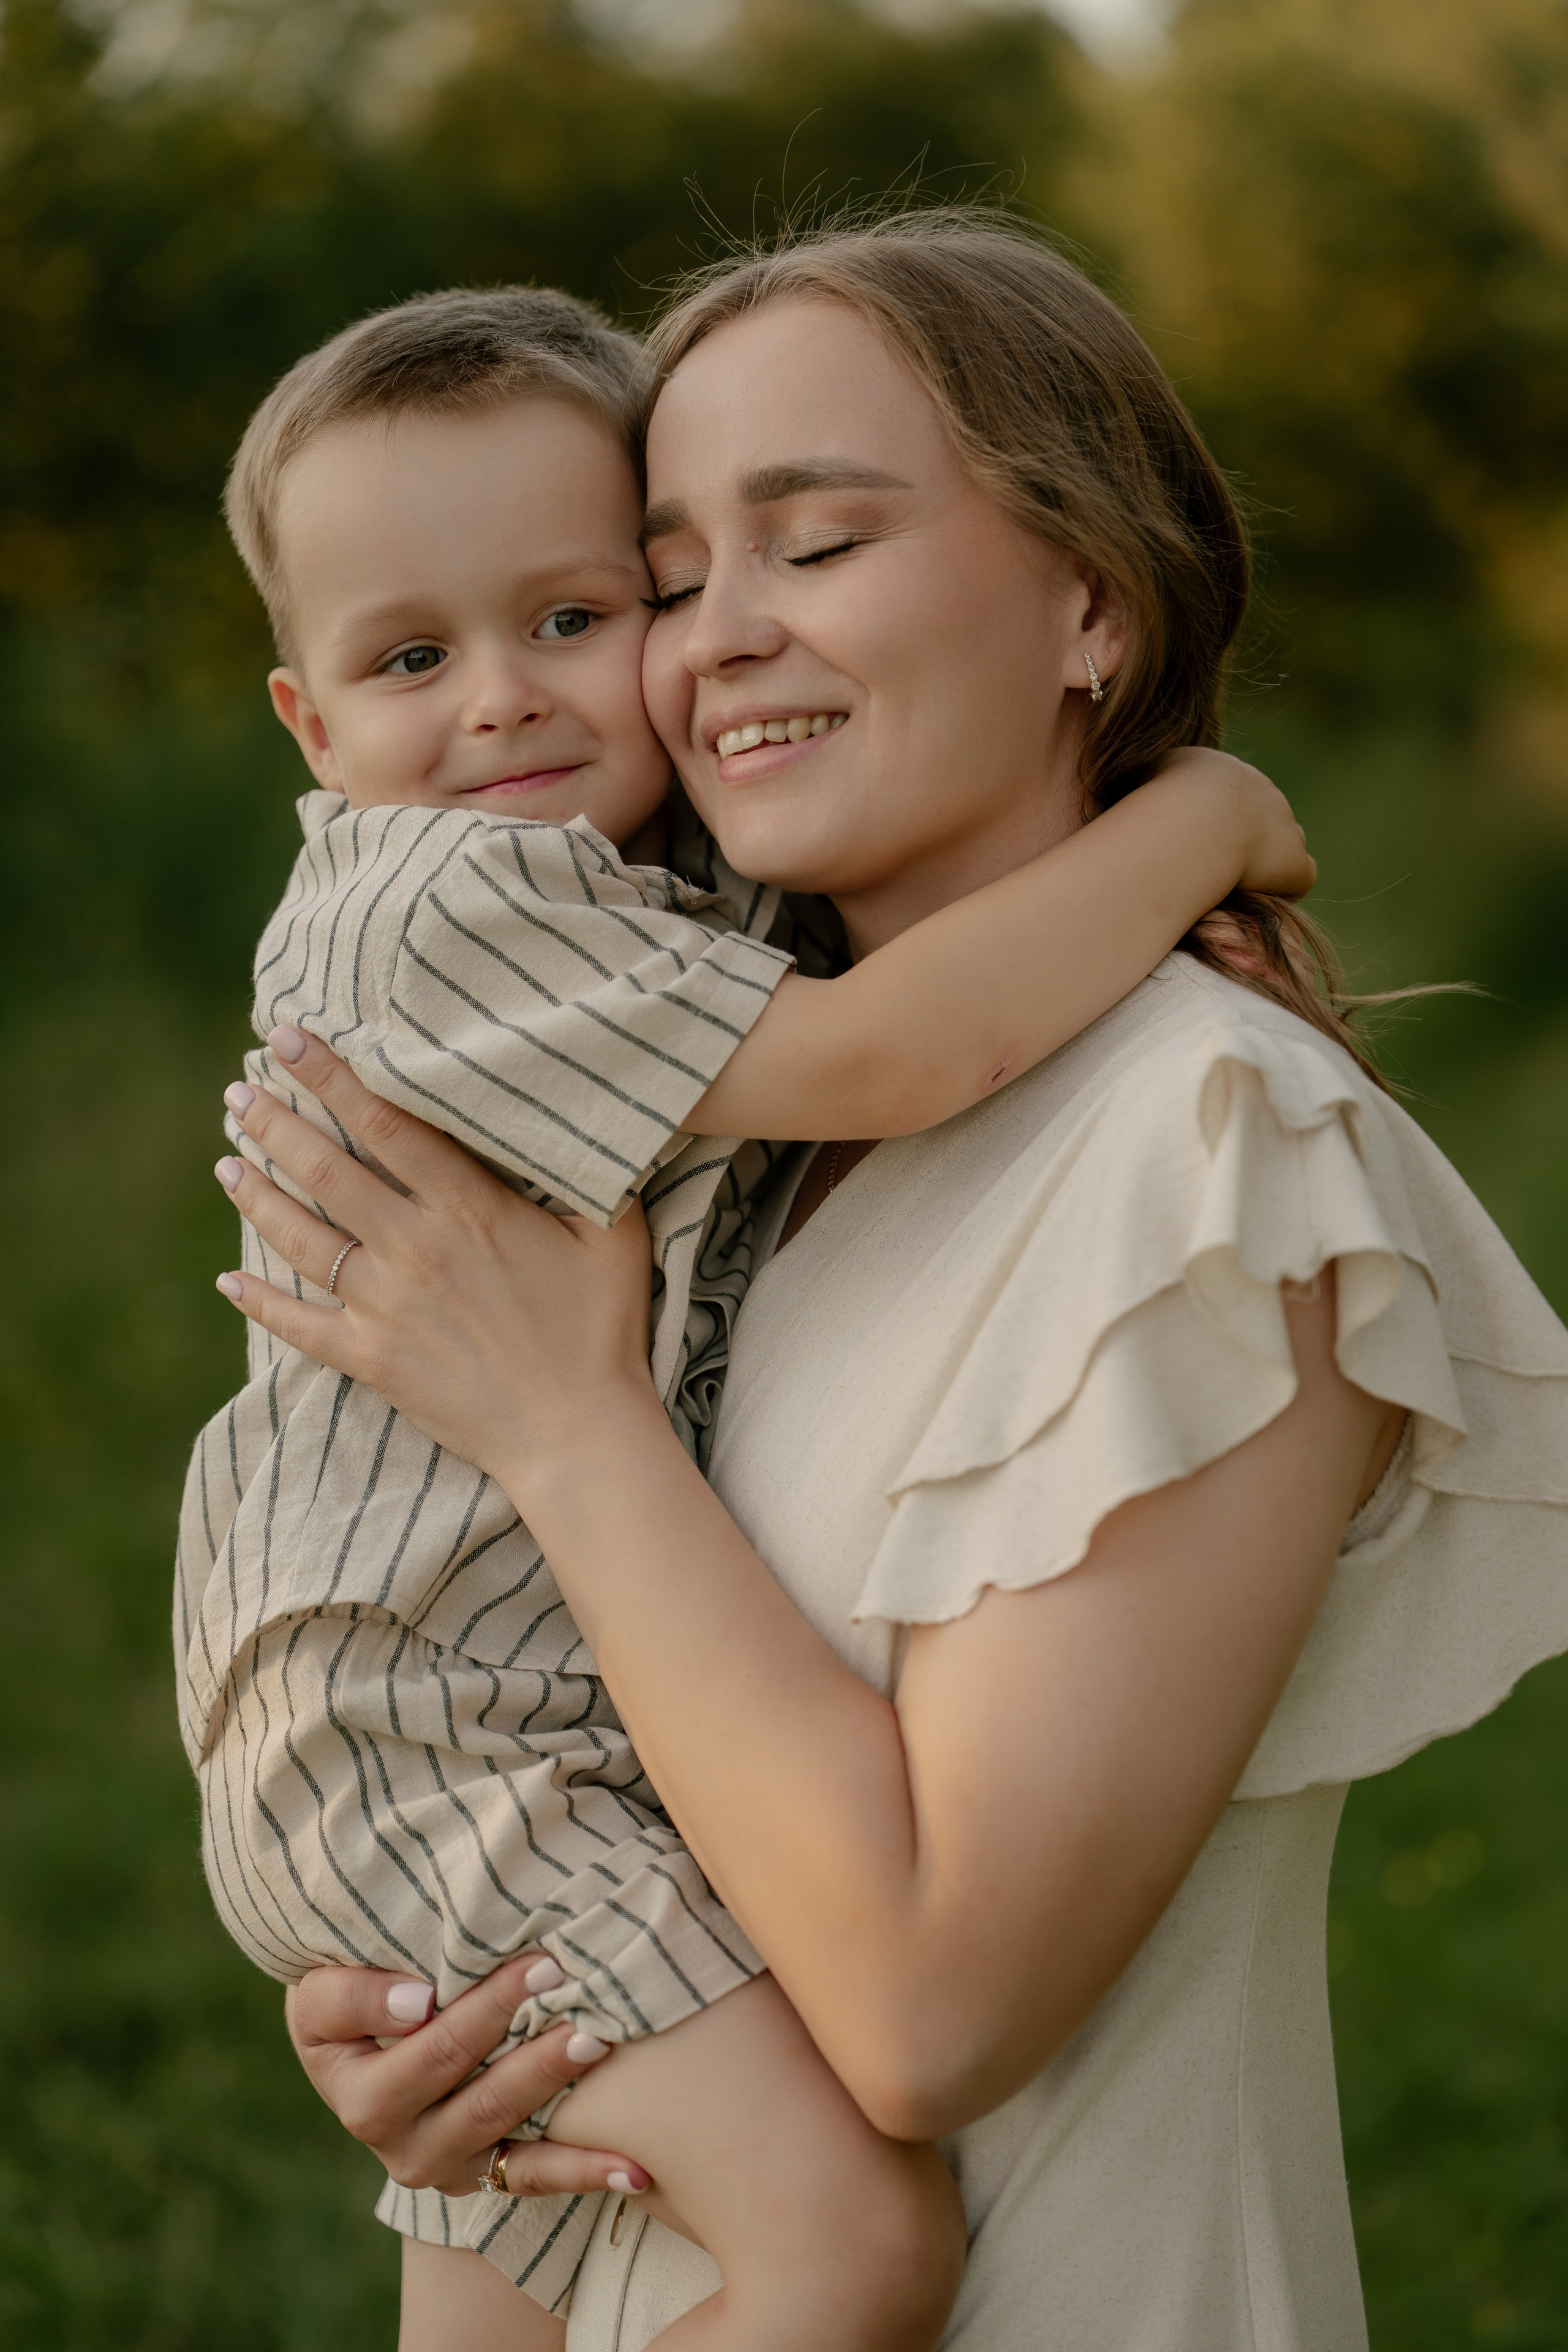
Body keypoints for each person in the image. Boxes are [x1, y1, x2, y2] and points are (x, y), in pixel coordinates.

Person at [214, 210, 1568, 2351]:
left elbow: (932, 2009)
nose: (708, 639)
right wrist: (435, 1993)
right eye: (667, 578)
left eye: (812, 544)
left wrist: (563, 1431)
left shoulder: (1201, 1143)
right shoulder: (731, 1125)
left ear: (1090, 606)